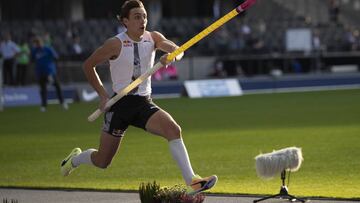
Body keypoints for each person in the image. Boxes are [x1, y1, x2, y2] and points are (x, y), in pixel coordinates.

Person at [60, 0, 217, 195]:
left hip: (143, 102)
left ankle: (192, 180)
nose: (142, 20)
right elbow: (88, 65)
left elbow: (177, 49)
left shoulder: (153, 38)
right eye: (136, 17)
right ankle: (74, 160)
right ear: (125, 21)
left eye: (144, 16)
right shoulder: (114, 44)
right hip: (119, 105)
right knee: (102, 161)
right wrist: (102, 95)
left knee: (173, 129)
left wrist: (172, 55)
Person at [31, 36, 68, 112]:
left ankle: (62, 102)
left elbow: (56, 57)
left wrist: (52, 67)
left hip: (50, 72)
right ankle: (43, 106)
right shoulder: (35, 51)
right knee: (43, 89)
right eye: (36, 43)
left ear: (41, 42)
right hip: (40, 72)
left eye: (38, 42)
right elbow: (32, 60)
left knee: (57, 87)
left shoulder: (48, 49)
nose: (38, 44)